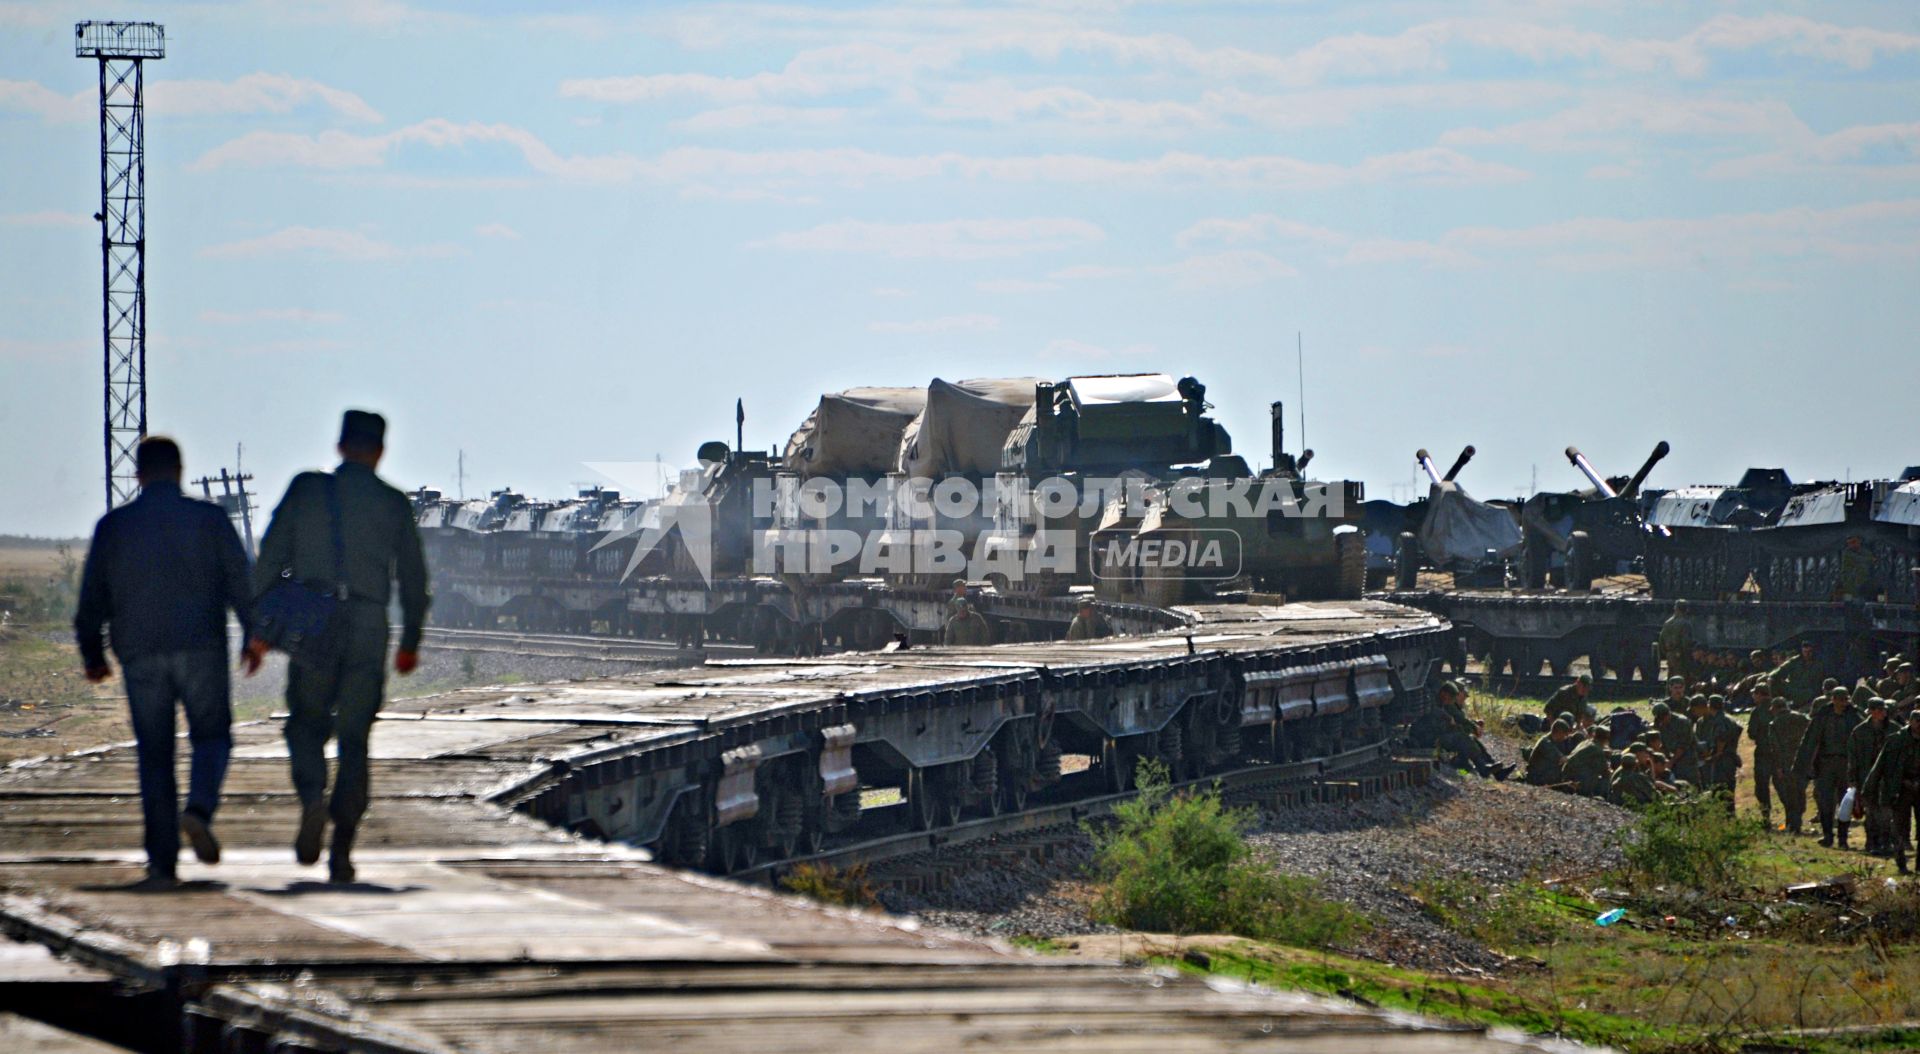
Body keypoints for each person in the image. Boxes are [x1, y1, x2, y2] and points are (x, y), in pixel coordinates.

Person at [249, 411, 429, 883]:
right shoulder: (392, 503)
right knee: (354, 738)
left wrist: (258, 630)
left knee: (306, 724)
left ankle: (312, 798)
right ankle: (342, 849)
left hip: (313, 622)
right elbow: (414, 577)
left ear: (340, 445)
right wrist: (410, 641)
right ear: (381, 451)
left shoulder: (306, 490)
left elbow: (270, 557)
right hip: (368, 624)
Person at [73, 437, 260, 890]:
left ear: (138, 475)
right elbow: (241, 582)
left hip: (141, 654)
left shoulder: (114, 526)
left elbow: (92, 598)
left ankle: (162, 864)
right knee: (212, 736)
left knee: (155, 755)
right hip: (201, 648)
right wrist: (255, 636)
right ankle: (197, 809)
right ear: (179, 471)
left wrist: (93, 654)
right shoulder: (210, 520)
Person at [1795, 686, 1856, 848]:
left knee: (1846, 803)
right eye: (1840, 699)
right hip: (1825, 764)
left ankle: (1843, 838)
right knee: (1825, 801)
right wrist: (1805, 765)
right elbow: (1810, 741)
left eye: (1845, 699)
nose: (1843, 703)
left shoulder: (1854, 716)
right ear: (1833, 699)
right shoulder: (1822, 717)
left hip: (1846, 764)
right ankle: (1828, 835)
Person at [1862, 707, 1920, 874]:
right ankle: (1901, 862)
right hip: (1900, 789)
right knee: (1899, 827)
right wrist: (1868, 788)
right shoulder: (1896, 740)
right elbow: (1879, 766)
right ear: (1911, 721)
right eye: (1917, 721)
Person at [1432, 681, 1512, 780]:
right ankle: (1482, 769)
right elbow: (1451, 719)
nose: (1463, 699)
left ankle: (1495, 771)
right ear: (1444, 694)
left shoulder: (1445, 703)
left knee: (1470, 740)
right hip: (1435, 741)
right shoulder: (1438, 703)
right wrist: (1470, 726)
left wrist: (1471, 726)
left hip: (1444, 741)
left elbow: (1457, 723)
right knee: (1463, 742)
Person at [1849, 698, 1894, 856]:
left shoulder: (1894, 729)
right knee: (1872, 812)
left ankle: (1886, 843)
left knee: (1887, 813)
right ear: (1872, 711)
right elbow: (1853, 757)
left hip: (1888, 778)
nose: (1883, 713)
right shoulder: (1859, 731)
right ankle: (1872, 842)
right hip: (1867, 777)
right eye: (1879, 710)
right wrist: (1853, 779)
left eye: (1884, 710)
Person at [1768, 699, 1813, 834]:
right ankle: (1795, 822)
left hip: (1785, 764)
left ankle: (1793, 824)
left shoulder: (1775, 723)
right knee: (1800, 791)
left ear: (1775, 708)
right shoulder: (1803, 719)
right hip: (1803, 761)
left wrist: (1778, 767)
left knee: (1788, 795)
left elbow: (1774, 748)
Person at [1693, 694, 1742, 800]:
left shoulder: (1720, 720)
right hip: (1728, 758)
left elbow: (1721, 738)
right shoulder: (1728, 719)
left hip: (1722, 761)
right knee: (1727, 792)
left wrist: (1715, 754)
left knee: (1721, 791)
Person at [1746, 685, 1779, 827]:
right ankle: (1793, 820)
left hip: (1763, 752)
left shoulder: (1757, 711)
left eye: (1755, 694)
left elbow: (1752, 733)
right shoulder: (1778, 706)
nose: (1753, 697)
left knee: (1762, 786)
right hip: (1780, 753)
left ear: (1759, 694)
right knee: (1783, 785)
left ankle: (1766, 819)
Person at [1651, 701, 1698, 786]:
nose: (1662, 721)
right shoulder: (1662, 724)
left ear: (1668, 714)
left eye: (1663, 718)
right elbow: (1663, 744)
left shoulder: (1682, 722)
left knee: (1690, 783)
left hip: (1688, 758)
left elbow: (1683, 746)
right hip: (1674, 758)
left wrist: (1671, 762)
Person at [1770, 640, 1826, 708]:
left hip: (1809, 692)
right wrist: (1772, 678)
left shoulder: (1819, 664)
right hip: (1793, 690)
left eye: (1809, 652)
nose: (1807, 654)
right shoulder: (1795, 661)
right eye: (1805, 652)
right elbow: (1778, 672)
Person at [1561, 725, 1612, 798]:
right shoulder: (1597, 750)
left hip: (1567, 775)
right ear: (1605, 739)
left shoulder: (1585, 742)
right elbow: (1604, 771)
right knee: (1605, 778)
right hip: (1576, 781)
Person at [1658, 600, 1696, 686]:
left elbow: (1661, 641)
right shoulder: (1685, 623)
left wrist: (1667, 653)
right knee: (1681, 679)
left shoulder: (1667, 623)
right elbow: (1686, 643)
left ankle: (1669, 694)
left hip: (1670, 654)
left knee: (1670, 677)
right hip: (1681, 656)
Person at [1525, 719, 1573, 787]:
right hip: (1535, 776)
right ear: (1559, 732)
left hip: (1542, 774)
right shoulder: (1545, 742)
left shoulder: (1555, 741)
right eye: (1565, 734)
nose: (1565, 737)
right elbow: (1562, 759)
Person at [1836, 534, 1879, 602]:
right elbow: (1856, 559)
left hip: (1866, 580)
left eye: (1853, 542)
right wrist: (1870, 560)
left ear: (1859, 541)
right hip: (1849, 579)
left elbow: (1872, 559)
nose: (1851, 545)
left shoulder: (1865, 552)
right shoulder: (1847, 553)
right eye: (1849, 543)